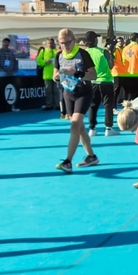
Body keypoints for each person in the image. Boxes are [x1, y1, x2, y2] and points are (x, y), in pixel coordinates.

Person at [53, 29, 98, 172]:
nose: (65, 45)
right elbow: (55, 75)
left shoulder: (83, 54)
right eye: (62, 43)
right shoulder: (59, 55)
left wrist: (77, 73)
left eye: (68, 42)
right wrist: (59, 75)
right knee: (80, 128)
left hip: (84, 92)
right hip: (68, 93)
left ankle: (67, 161)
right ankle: (91, 156)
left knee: (74, 125)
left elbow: (93, 75)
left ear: (74, 40)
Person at [83, 31, 115, 137]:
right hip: (105, 81)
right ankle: (108, 128)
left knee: (92, 106)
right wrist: (111, 54)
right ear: (95, 40)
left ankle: (92, 129)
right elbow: (111, 66)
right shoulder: (103, 52)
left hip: (91, 82)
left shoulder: (84, 53)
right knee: (108, 105)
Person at [119, 33, 138, 100]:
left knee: (128, 97)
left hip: (127, 75)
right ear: (137, 39)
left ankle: (128, 109)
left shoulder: (125, 49)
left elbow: (123, 61)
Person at [0, 38, 19, 111]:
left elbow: (15, 61)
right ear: (2, 43)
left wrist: (14, 70)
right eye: (5, 42)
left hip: (11, 73)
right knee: (1, 89)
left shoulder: (12, 52)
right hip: (2, 72)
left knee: (12, 89)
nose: (6, 44)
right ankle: (1, 107)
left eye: (7, 42)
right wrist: (0, 70)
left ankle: (12, 107)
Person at [36, 38, 58, 111]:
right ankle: (49, 105)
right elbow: (38, 61)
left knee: (56, 91)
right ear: (46, 44)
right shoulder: (43, 51)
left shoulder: (57, 51)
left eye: (51, 43)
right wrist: (45, 62)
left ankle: (58, 105)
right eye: (49, 43)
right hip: (47, 74)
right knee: (48, 91)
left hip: (56, 74)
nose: (50, 44)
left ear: (54, 43)